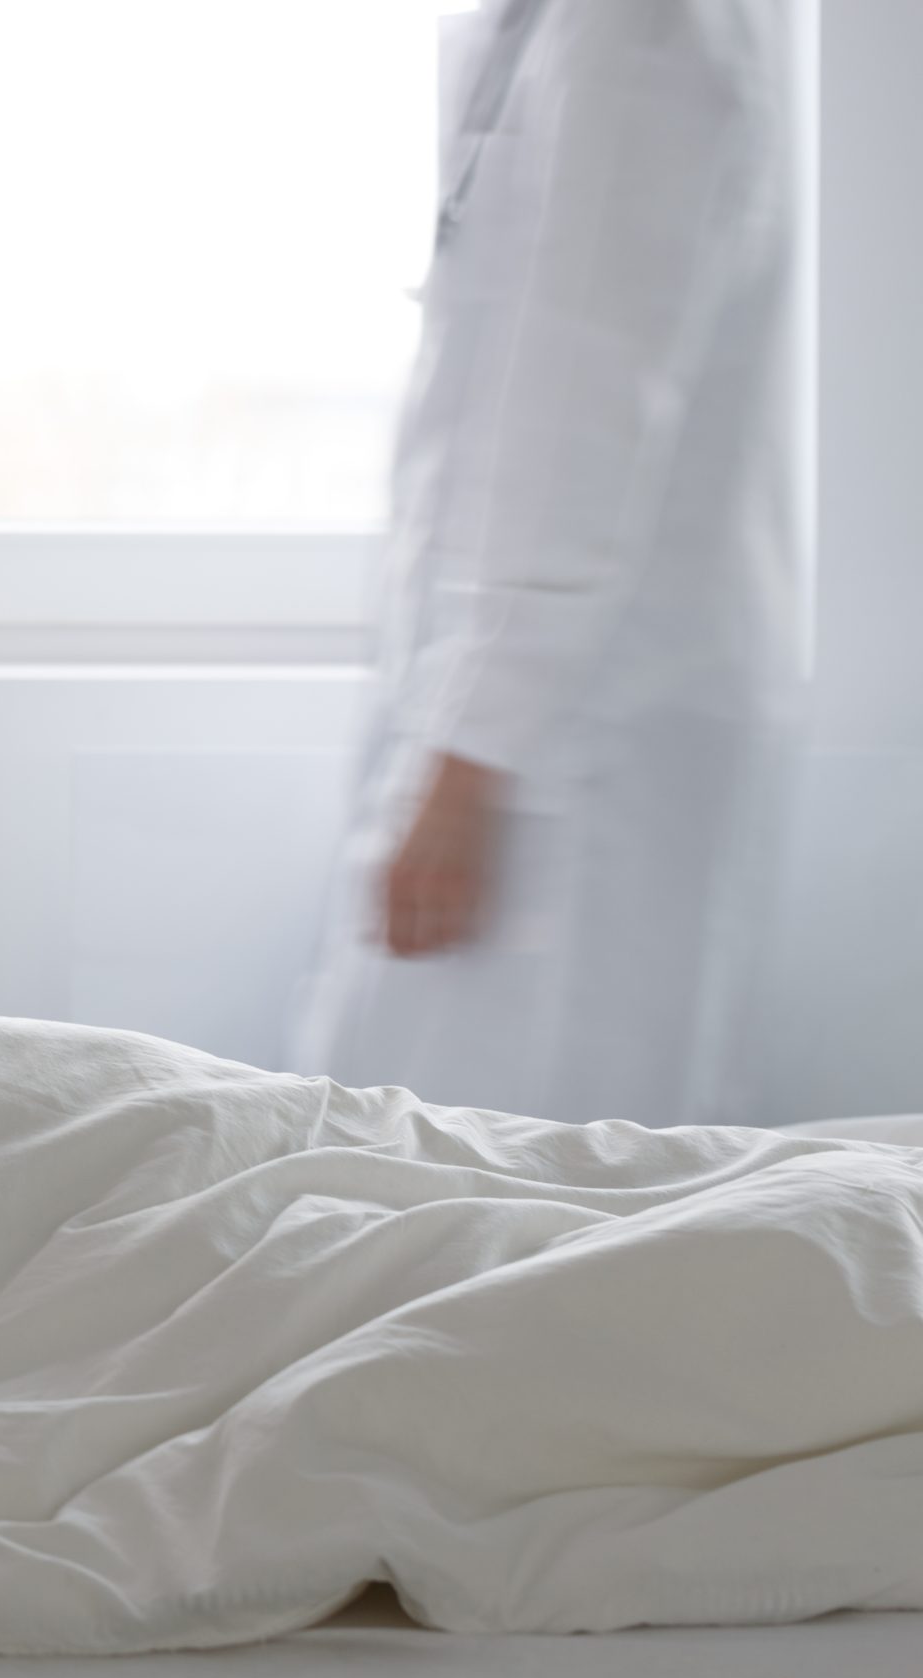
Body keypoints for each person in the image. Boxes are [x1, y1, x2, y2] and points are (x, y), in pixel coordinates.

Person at [292, 0, 802, 1126]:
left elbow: (583, 407)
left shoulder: (643, 28)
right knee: (440, 1174)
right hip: (535, 707)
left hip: (573, 735)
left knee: (512, 1181)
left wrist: (469, 762)